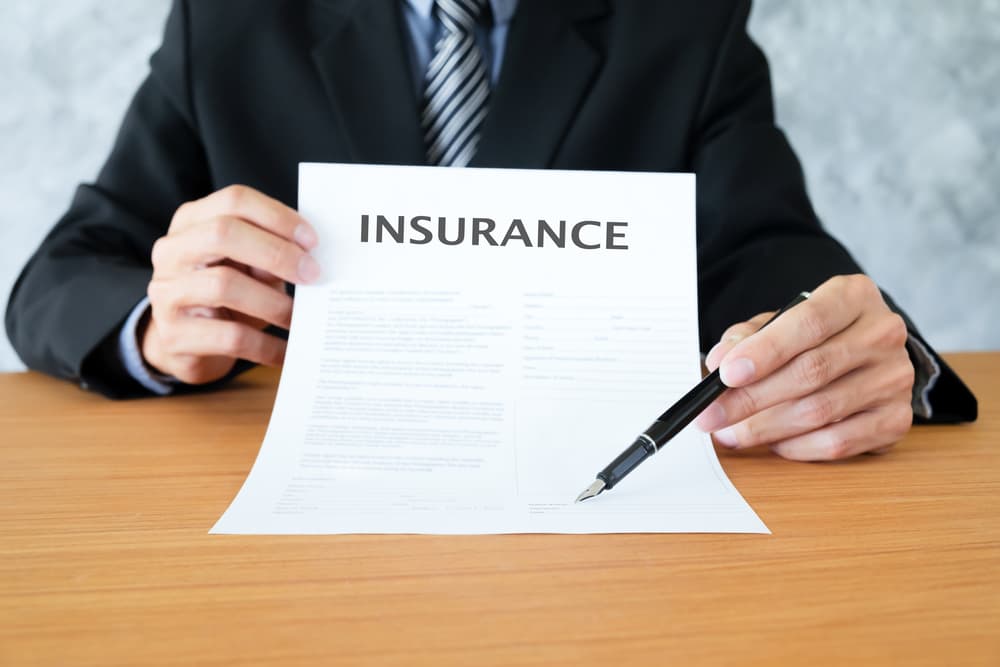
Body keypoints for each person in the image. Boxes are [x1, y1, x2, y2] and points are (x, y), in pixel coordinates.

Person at [6, 0, 976, 461]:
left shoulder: (683, 25)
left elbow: (768, 250)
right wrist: (151, 326)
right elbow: (65, 271)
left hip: (595, 503)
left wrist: (827, 344)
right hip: (297, 484)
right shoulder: (228, 24)